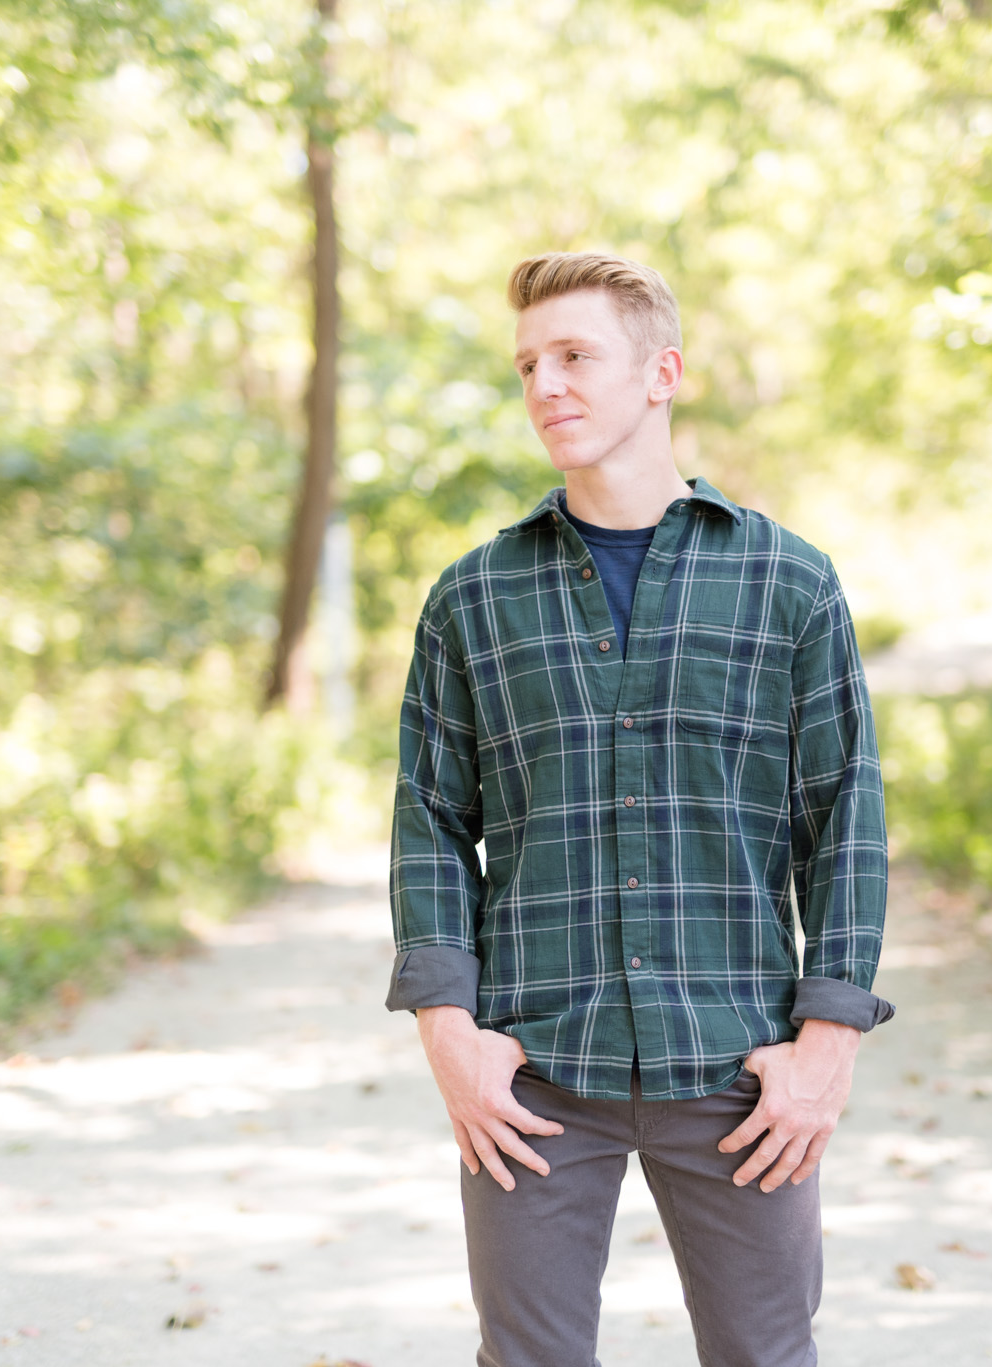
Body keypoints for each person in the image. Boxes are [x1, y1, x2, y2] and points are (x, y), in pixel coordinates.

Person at [385, 251, 891, 1367]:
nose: (544, 386)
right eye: (527, 364)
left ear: (660, 372)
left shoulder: (786, 582)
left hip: (735, 1064)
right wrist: (449, 1033)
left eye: (574, 356)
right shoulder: (472, 595)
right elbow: (429, 818)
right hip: (529, 1071)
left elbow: (843, 819)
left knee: (765, 1353)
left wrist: (825, 1042)